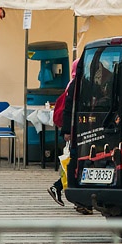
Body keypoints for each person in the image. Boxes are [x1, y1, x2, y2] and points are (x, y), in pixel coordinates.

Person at [48, 60, 78, 207]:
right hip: (73, 130)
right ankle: (62, 188)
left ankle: (59, 187)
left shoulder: (72, 83)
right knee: (73, 162)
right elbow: (68, 110)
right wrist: (66, 131)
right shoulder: (75, 85)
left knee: (73, 161)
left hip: (74, 129)